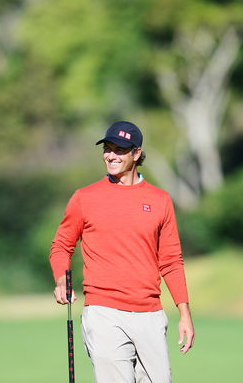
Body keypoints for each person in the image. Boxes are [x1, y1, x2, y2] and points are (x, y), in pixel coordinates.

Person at [50, 121, 195, 383]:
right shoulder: (85, 198)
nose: (111, 155)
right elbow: (61, 245)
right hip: (104, 312)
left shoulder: (160, 200)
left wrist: (184, 313)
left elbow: (172, 261)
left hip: (150, 314)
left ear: (137, 154)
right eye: (108, 148)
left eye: (120, 149)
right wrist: (61, 277)